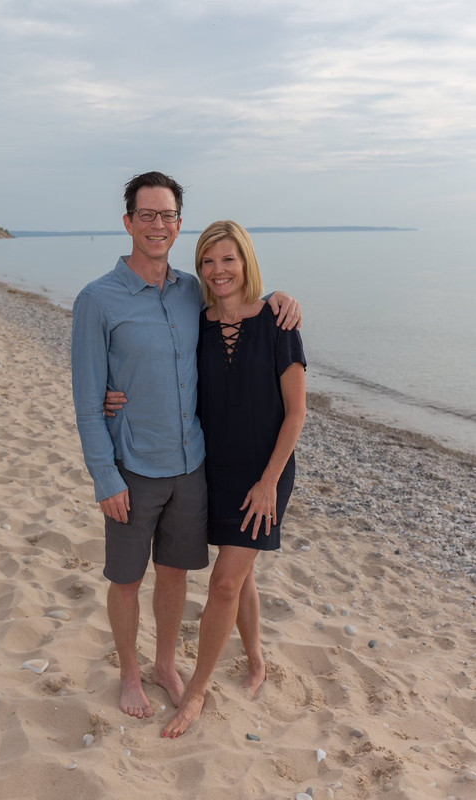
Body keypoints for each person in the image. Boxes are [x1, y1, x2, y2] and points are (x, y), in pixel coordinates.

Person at [71, 171, 302, 721]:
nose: (157, 225)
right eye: (146, 215)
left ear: (178, 224)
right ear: (128, 222)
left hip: (194, 467)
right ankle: (131, 673)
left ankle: (167, 665)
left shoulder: (190, 294)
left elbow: (243, 302)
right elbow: (86, 400)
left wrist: (282, 298)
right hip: (134, 469)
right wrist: (105, 476)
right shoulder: (96, 300)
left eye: (167, 215)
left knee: (181, 575)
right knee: (126, 580)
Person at [160, 220, 306, 738]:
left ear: (245, 261)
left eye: (228, 259)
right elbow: (166, 379)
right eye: (207, 261)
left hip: (264, 473)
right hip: (211, 470)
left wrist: (268, 483)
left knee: (223, 582)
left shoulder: (278, 321)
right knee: (240, 575)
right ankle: (257, 658)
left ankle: (196, 691)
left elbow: (296, 415)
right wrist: (116, 398)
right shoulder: (194, 323)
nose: (218, 270)